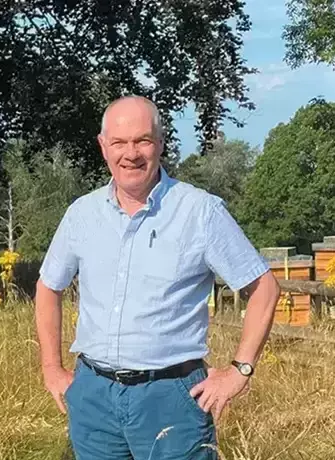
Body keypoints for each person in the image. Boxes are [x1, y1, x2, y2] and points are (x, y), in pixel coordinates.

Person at [35, 96, 280, 459]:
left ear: (160, 144)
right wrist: (52, 368)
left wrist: (240, 370)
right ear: (103, 147)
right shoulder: (81, 214)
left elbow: (264, 289)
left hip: (171, 398)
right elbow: (47, 287)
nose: (130, 153)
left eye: (142, 140)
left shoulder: (199, 211)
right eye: (118, 142)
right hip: (93, 397)